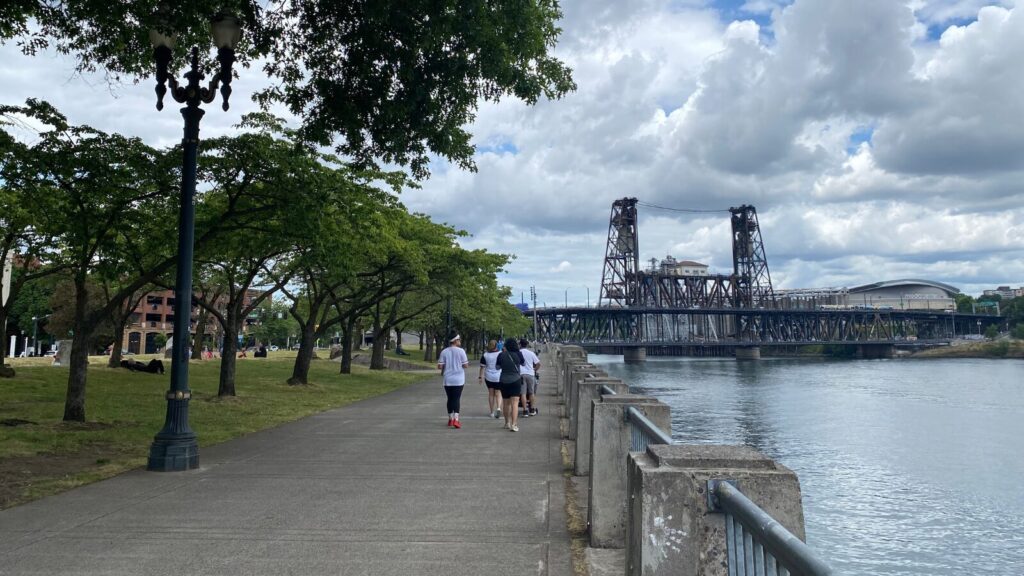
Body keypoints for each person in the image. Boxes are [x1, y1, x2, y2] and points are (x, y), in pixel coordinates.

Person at [437, 332, 469, 428]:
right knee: (456, 399)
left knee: (450, 399)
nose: (460, 341)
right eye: (459, 339)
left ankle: (450, 418)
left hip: (448, 379)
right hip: (458, 379)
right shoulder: (461, 351)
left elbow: (439, 366)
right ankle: (456, 419)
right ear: (455, 340)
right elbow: (466, 365)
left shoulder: (444, 351)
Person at [495, 337, 525, 432]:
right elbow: (523, 364)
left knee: (506, 403)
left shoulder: (501, 355)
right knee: (515, 403)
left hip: (503, 380)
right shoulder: (518, 354)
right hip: (515, 380)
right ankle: (514, 424)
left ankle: (506, 423)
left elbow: (497, 367)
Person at [478, 340, 503, 418]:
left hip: (488, 376)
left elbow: (482, 367)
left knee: (491, 394)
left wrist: (480, 377)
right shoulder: (500, 353)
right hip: (498, 376)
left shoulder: (485, 355)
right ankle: (498, 408)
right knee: (498, 393)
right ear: (496, 346)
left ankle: (492, 412)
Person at [518, 339, 541, 417]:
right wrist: (534, 370)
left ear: (520, 345)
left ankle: (525, 411)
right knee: (531, 393)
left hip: (521, 374)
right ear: (527, 345)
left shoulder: (518, 353)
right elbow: (538, 364)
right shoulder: (531, 353)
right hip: (530, 374)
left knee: (523, 393)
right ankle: (532, 409)